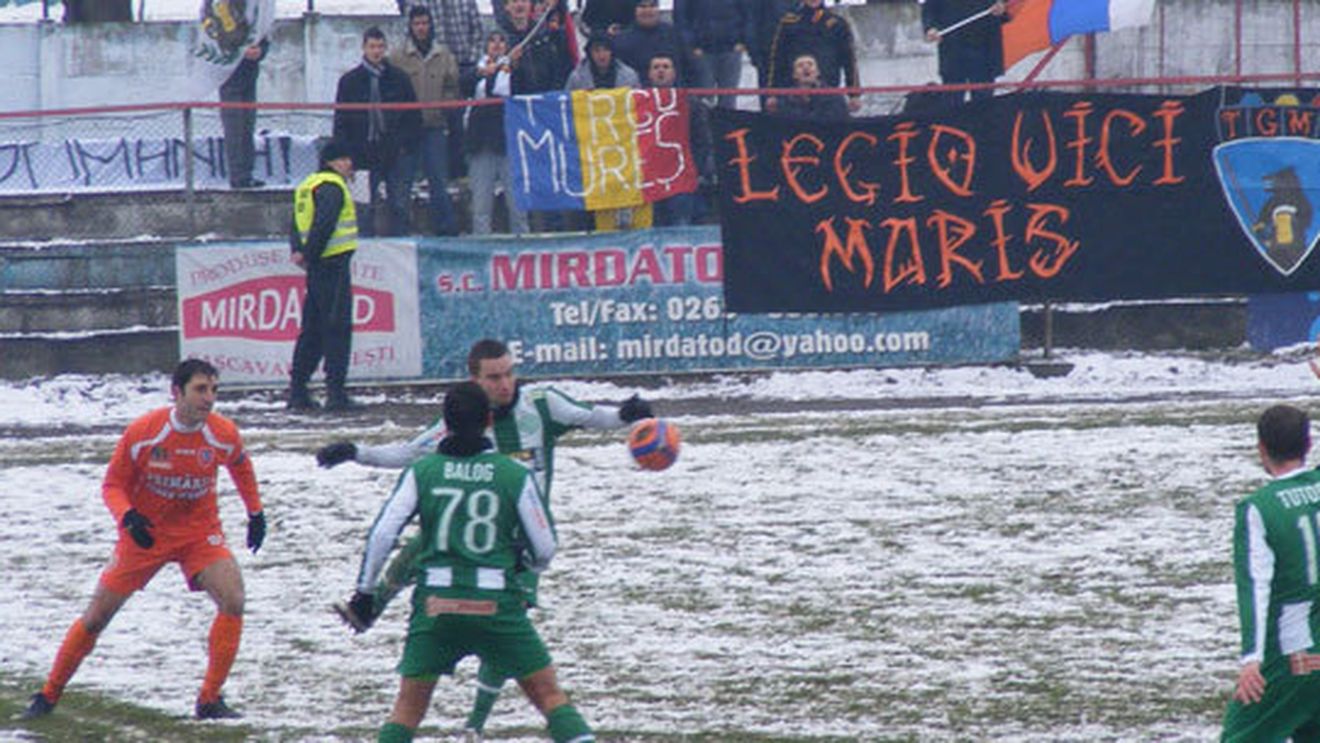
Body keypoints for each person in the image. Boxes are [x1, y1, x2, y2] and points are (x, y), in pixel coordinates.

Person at [317, 338, 654, 739]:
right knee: (443, 565)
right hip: (493, 553)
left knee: (414, 701)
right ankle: (370, 609)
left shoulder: (542, 404)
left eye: (509, 373)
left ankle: (474, 721)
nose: (505, 384)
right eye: (494, 377)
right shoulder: (463, 430)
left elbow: (592, 416)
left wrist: (625, 414)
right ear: (475, 382)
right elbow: (408, 452)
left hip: (514, 550)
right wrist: (357, 452)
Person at [342, 381, 596, 743]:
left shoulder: (423, 471)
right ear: (489, 421)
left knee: (407, 709)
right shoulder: (513, 474)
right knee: (550, 697)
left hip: (436, 605)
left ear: (445, 423)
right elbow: (545, 547)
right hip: (496, 604)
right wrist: (524, 565)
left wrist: (365, 591)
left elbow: (384, 533)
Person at [22, 358, 266, 722]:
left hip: (198, 533)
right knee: (96, 617)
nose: (209, 398)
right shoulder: (144, 432)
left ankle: (209, 700)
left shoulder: (222, 432)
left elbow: (240, 465)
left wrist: (255, 513)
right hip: (145, 535)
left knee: (234, 599)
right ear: (176, 392)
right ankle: (48, 694)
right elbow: (112, 485)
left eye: (214, 390)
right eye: (200, 389)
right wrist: (128, 516)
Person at [1221, 404, 1320, 742]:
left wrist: (1252, 658)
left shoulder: (1260, 508)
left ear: (1261, 448)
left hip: (1292, 658)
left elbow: (1254, 585)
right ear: (1308, 444)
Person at [287, 140, 358, 411]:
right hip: (332, 263)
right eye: (344, 159)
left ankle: (298, 390)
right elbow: (324, 223)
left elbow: (296, 223)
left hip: (317, 266)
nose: (349, 164)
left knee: (313, 329)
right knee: (337, 328)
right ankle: (336, 393)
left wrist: (299, 251)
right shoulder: (333, 186)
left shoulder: (307, 185)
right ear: (331, 162)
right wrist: (311, 254)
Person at [333, 26, 420, 237]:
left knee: (399, 204)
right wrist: (344, 154)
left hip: (394, 152)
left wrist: (405, 146)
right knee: (364, 208)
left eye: (380, 46)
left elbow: (413, 116)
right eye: (372, 46)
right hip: (362, 154)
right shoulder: (350, 81)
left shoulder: (399, 78)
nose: (376, 51)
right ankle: (364, 248)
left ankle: (400, 246)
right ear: (364, 48)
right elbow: (341, 120)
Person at [389, 6, 461, 236]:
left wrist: (444, 106)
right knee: (402, 184)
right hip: (407, 131)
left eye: (425, 23)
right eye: (417, 24)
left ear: (431, 25)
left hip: (434, 127)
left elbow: (452, 86)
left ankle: (446, 231)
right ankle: (399, 232)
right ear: (410, 27)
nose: (421, 28)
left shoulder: (444, 55)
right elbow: (390, 89)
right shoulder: (398, 56)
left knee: (439, 182)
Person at [566, 32, 647, 233]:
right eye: (597, 50)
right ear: (590, 53)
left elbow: (639, 105)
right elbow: (567, 105)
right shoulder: (577, 77)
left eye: (605, 50)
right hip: (592, 143)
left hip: (623, 141)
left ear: (612, 52)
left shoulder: (629, 75)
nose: (601, 55)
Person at [396, 0, 485, 180]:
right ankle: (425, 175)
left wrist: (471, 60)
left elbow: (478, 31)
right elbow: (408, 33)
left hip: (463, 65)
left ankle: (458, 173)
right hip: (430, 65)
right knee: (428, 124)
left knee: (457, 123)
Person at [464, 30, 530, 235]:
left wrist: (515, 66)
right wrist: (483, 73)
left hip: (509, 143)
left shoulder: (516, 72)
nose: (497, 45)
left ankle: (522, 243)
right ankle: (482, 244)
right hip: (481, 144)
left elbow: (526, 87)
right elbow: (462, 84)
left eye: (502, 41)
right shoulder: (477, 70)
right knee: (481, 205)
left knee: (517, 205)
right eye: (492, 40)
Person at [646, 50, 713, 227]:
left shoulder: (691, 103)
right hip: (650, 179)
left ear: (674, 73)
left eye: (665, 67)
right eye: (656, 67)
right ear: (649, 74)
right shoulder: (637, 103)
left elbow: (702, 140)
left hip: (681, 178)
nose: (661, 71)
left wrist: (694, 169)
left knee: (681, 226)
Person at [765, 0, 861, 115]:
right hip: (793, 98)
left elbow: (849, 60)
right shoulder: (788, 23)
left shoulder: (838, 24)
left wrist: (854, 94)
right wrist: (772, 93)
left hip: (828, 97)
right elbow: (777, 60)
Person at [921, 0, 1007, 104]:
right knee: (952, 99)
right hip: (952, 44)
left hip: (985, 44)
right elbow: (928, 6)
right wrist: (930, 27)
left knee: (984, 101)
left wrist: (1002, 5)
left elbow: (1009, 5)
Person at [674, 0, 752, 109]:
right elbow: (680, 18)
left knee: (729, 99)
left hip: (731, 49)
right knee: (704, 98)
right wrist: (691, 45)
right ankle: (703, 120)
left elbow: (748, 13)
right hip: (701, 51)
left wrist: (743, 40)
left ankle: (727, 120)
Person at [219, 38, 269, 189]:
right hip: (229, 76)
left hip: (249, 76)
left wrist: (261, 51)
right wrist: (240, 52)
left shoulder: (254, 25)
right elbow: (215, 42)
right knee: (235, 128)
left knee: (248, 126)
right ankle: (238, 176)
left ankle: (246, 174)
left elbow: (264, 38)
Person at [614, 0, 690, 89]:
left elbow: (688, 67)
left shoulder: (674, 35)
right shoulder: (622, 40)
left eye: (652, 6)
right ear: (635, 10)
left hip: (675, 92)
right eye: (643, 6)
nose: (648, 10)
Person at [776, 52, 849, 121]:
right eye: (800, 65)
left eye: (810, 64)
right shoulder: (785, 99)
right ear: (794, 75)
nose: (805, 67)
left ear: (818, 72)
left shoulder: (834, 97)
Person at [749, 0, 796, 95]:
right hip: (767, 56)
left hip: (797, 57)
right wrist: (755, 54)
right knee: (769, 96)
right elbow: (752, 24)